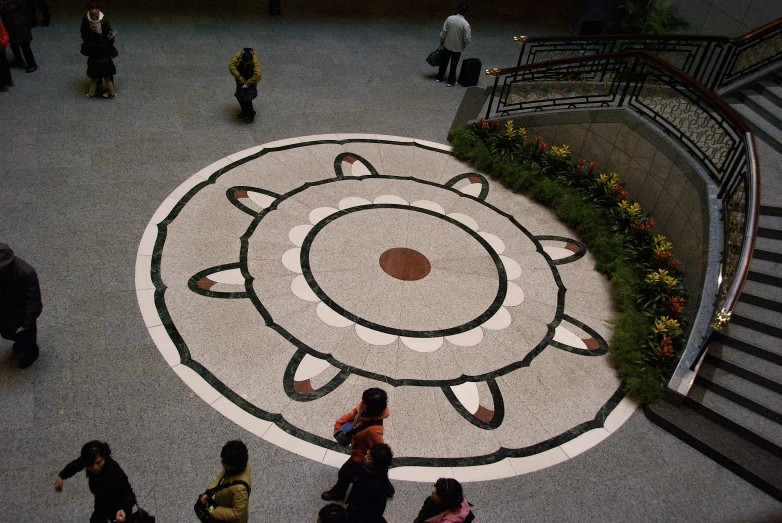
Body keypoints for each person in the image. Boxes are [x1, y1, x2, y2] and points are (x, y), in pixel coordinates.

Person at [322, 387, 390, 502]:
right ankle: (387, 486)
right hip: (357, 449)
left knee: (344, 473)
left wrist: (368, 461)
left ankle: (338, 493)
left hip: (360, 457)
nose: (361, 404)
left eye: (363, 402)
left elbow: (378, 450)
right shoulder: (363, 408)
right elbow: (351, 415)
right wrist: (338, 426)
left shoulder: (374, 431)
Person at [55, 441, 136, 523]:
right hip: (101, 501)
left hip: (118, 505)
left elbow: (129, 495)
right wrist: (61, 476)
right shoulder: (91, 460)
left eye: (98, 463)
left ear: (104, 457)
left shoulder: (115, 472)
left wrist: (124, 510)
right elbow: (76, 465)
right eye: (90, 465)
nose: (95, 467)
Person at [0, 243, 42, 368]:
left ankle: (31, 354)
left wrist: (28, 322)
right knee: (7, 333)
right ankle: (19, 341)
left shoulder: (26, 272)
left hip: (21, 313)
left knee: (27, 336)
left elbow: (33, 300)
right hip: (5, 310)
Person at [198, 440, 252, 523]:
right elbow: (221, 476)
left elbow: (237, 514)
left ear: (233, 466)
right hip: (221, 506)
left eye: (224, 463)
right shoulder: (237, 466)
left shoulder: (240, 489)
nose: (222, 463)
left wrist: (214, 512)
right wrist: (209, 492)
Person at [346, 443, 394, 523]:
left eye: (369, 458)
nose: (365, 457)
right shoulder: (374, 471)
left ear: (377, 464)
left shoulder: (374, 486)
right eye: (368, 453)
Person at [80, 1, 117, 99]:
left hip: (101, 45)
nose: (94, 11)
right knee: (106, 72)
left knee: (96, 74)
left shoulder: (103, 20)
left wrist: (108, 39)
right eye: (92, 9)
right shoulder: (86, 19)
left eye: (96, 9)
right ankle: (111, 91)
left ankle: (93, 92)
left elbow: (108, 32)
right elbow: (84, 32)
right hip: (96, 46)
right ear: (89, 9)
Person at [436, 4, 471, 87]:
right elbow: (467, 39)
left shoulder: (450, 18)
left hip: (447, 44)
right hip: (457, 47)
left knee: (444, 62)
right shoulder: (465, 24)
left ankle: (439, 77)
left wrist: (442, 41)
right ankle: (450, 81)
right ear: (466, 12)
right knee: (454, 65)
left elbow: (444, 31)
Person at [1, 0, 38, 73]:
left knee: (24, 45)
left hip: (20, 25)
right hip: (10, 25)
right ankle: (18, 60)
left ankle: (32, 64)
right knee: (14, 44)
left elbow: (26, 11)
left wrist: (27, 24)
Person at [229, 47, 261, 123]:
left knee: (247, 99)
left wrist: (248, 82)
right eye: (244, 63)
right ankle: (244, 112)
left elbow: (258, 75)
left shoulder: (254, 60)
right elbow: (231, 66)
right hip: (241, 79)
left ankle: (250, 114)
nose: (245, 64)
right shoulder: (239, 55)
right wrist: (239, 76)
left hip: (250, 80)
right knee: (240, 97)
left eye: (247, 63)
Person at [0, 20, 12, 90]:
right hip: (2, 46)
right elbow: (4, 32)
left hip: (1, 45)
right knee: (4, 63)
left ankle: (2, 85)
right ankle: (8, 80)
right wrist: (4, 41)